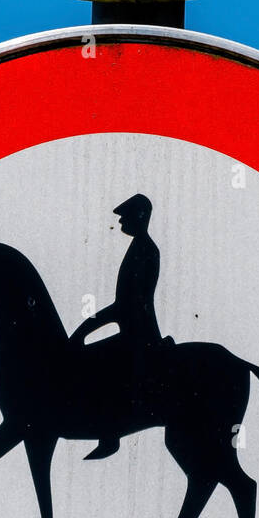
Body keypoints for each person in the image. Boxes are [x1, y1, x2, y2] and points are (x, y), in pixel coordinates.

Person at [70, 194, 171, 459]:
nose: (121, 221)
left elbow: (126, 305)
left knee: (92, 364)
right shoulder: (139, 247)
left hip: (138, 335)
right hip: (132, 330)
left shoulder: (146, 250)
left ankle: (108, 433)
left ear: (139, 217)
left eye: (125, 216)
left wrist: (83, 330)